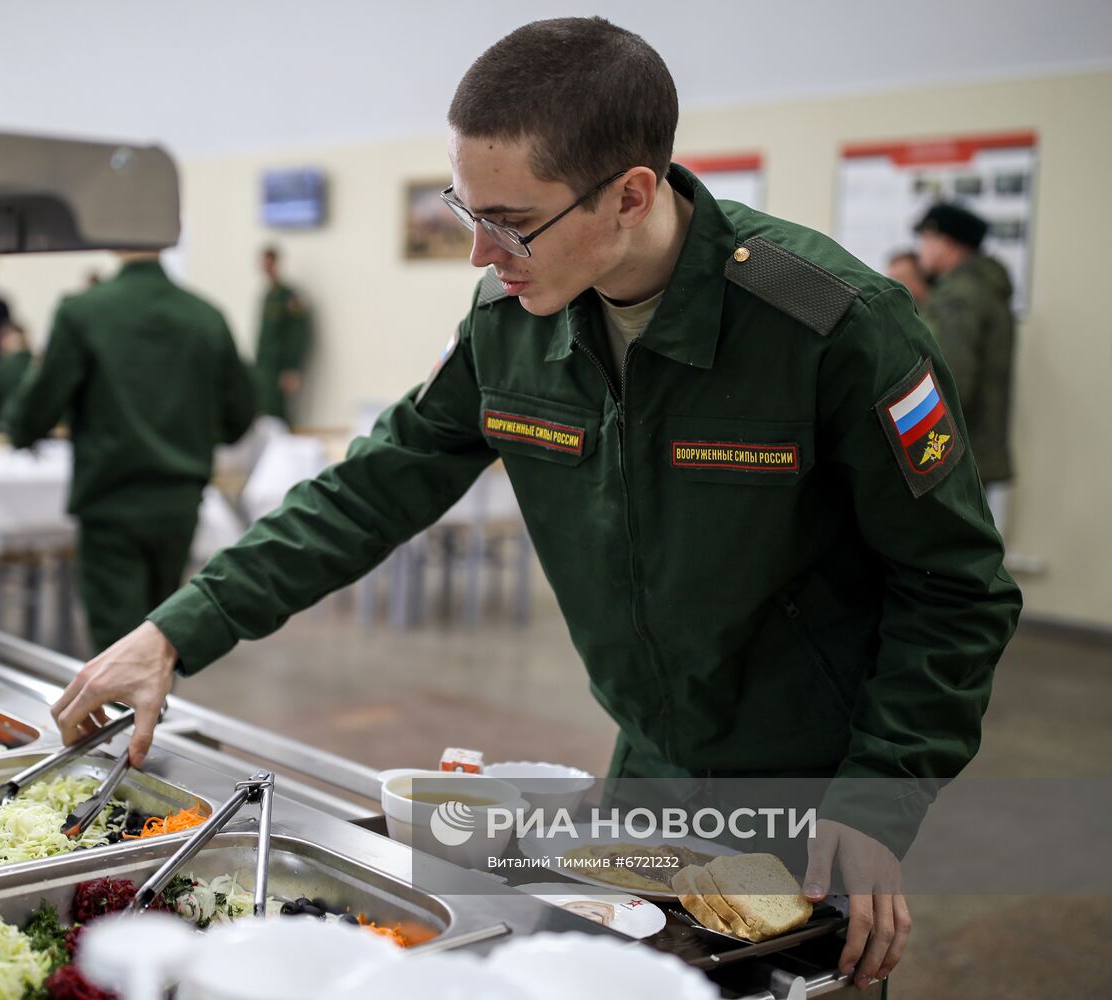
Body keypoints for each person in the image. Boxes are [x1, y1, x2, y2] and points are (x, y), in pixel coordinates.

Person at [52, 19, 1020, 989]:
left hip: (813, 789)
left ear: (630, 193)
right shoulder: (511, 324)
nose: (478, 251)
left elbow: (953, 587)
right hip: (646, 770)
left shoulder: (825, 327)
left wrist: (878, 796)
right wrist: (180, 628)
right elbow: (371, 486)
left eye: (510, 220)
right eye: (461, 209)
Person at [3, 251, 257, 654]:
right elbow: (241, 414)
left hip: (111, 500)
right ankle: (150, 716)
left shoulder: (83, 312)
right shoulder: (205, 316)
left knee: (119, 646)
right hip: (179, 502)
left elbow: (35, 411)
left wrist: (23, 429)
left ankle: (126, 718)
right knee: (162, 640)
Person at [915, 203, 1017, 532]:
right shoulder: (987, 290)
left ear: (947, 243)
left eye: (926, 238)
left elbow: (948, 380)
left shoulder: (958, 295)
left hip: (949, 456)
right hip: (974, 451)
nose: (922, 249)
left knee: (940, 552)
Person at [252, 246, 312, 426]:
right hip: (264, 367)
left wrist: (293, 369)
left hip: (280, 368)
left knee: (279, 416)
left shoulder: (289, 297)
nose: (266, 267)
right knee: (264, 413)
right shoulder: (269, 295)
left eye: (269, 263)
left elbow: (299, 334)